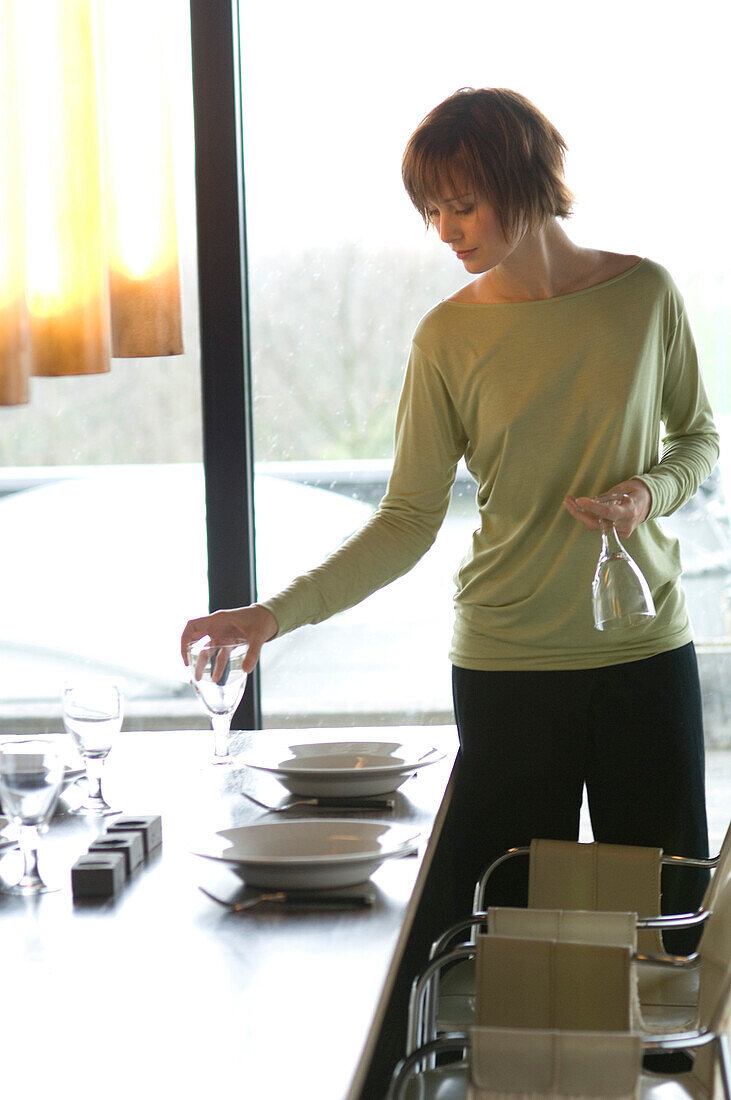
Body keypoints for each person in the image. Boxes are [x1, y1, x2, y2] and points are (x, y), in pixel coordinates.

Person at [181, 88, 718, 949]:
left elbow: (697, 438)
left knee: (667, 926)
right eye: (431, 211)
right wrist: (270, 615)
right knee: (502, 937)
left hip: (642, 653)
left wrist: (644, 494)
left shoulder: (643, 295)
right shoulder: (446, 339)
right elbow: (405, 519)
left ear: (525, 180)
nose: (444, 231)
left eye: (460, 205)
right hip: (506, 667)